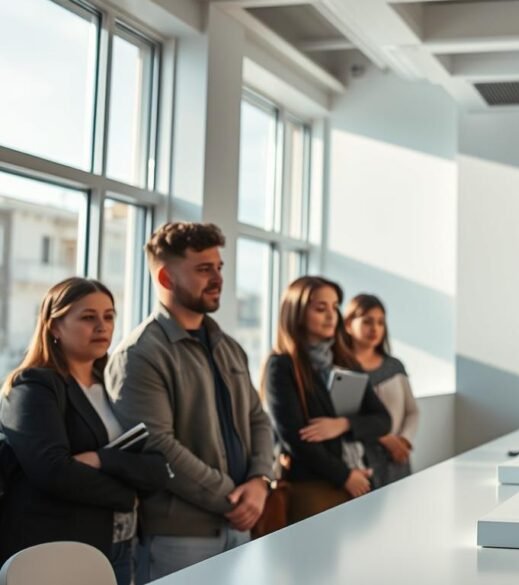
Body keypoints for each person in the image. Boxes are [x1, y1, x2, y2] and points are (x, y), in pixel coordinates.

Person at [106, 222, 274, 582]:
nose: (217, 278)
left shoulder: (228, 345)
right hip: (178, 537)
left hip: (239, 525)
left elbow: (258, 418)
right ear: (166, 278)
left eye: (219, 267)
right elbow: (156, 445)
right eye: (203, 269)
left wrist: (260, 481)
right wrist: (235, 498)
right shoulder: (141, 354)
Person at [0, 278, 169, 585]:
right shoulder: (35, 385)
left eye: (109, 316)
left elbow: (158, 467)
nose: (102, 326)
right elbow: (52, 471)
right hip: (60, 548)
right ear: (54, 326)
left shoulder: (112, 385)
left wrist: (101, 459)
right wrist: (127, 494)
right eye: (88, 317)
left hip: (120, 545)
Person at [262, 277, 391, 524]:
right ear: (297, 313)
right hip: (314, 487)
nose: (331, 315)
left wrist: (344, 424)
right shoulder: (283, 366)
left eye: (335, 307)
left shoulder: (344, 361)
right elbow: (295, 438)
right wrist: (344, 476)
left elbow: (382, 420)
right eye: (321, 308)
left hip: (358, 478)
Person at [341, 294, 419, 485]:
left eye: (380, 322)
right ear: (349, 324)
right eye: (367, 321)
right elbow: (346, 417)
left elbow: (412, 411)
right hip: (361, 462)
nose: (375, 328)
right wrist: (385, 438)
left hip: (398, 458)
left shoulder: (394, 366)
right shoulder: (341, 370)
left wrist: (403, 441)